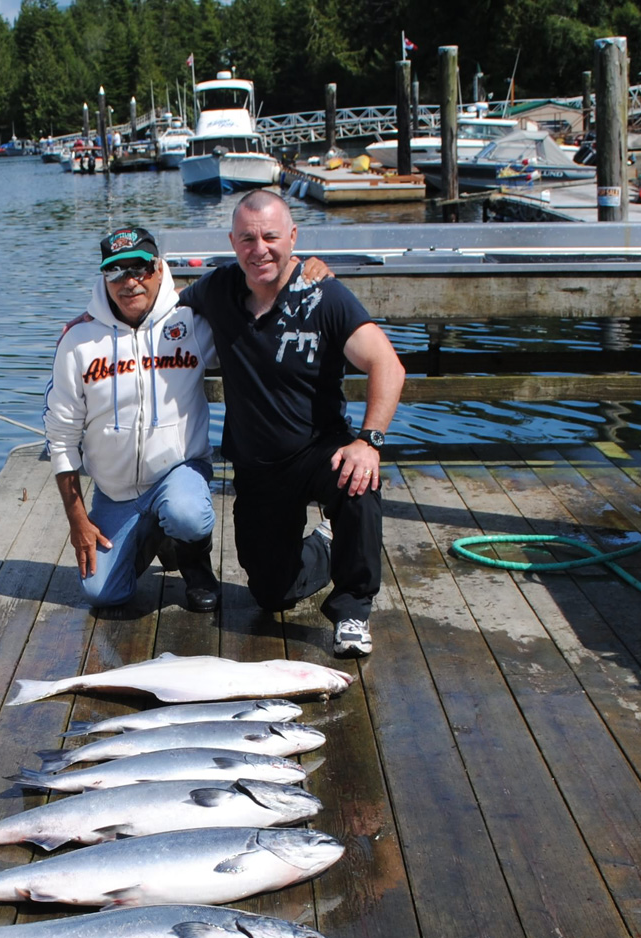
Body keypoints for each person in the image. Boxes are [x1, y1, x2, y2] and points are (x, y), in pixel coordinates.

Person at [176, 190, 405, 657]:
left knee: (359, 480)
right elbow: (152, 305)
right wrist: (93, 320)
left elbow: (387, 363)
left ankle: (353, 610)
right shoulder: (217, 289)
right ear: (232, 242)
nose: (259, 249)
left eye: (271, 237)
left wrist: (369, 442)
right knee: (271, 595)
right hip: (259, 467)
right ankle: (324, 545)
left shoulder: (324, 295)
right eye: (247, 238)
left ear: (293, 237)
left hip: (320, 448)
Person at [43, 226, 222, 613]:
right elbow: (60, 437)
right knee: (102, 594)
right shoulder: (77, 340)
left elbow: (252, 313)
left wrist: (303, 273)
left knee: (188, 515)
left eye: (139, 268)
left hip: (179, 470)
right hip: (115, 492)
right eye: (116, 271)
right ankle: (155, 537)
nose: (129, 281)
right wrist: (77, 521)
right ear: (104, 277)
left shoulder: (193, 321)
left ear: (158, 268)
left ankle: (194, 561)